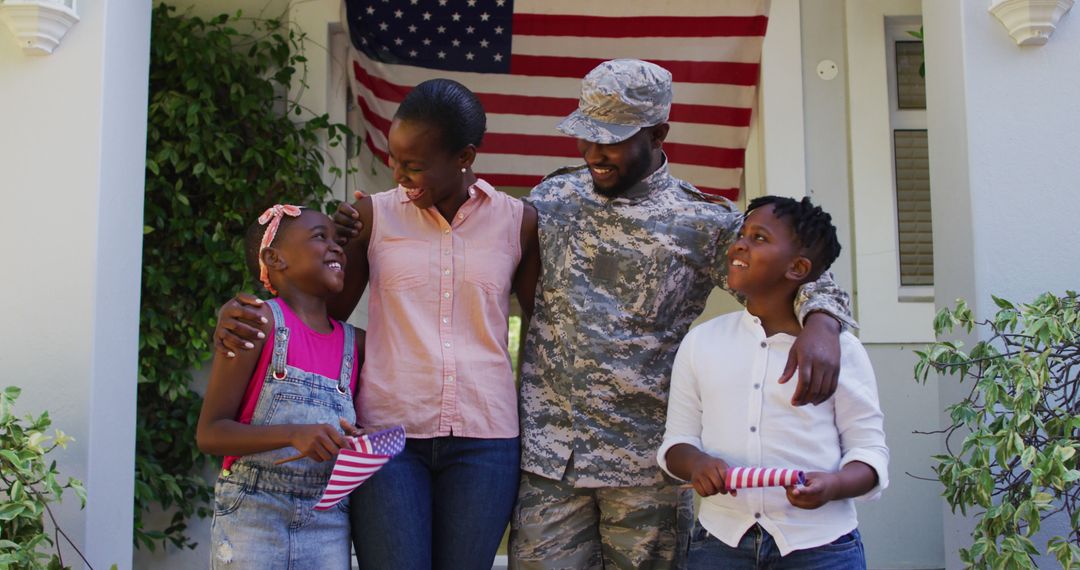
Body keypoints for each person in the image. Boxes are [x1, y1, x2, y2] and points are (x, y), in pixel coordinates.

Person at [508, 59, 857, 569]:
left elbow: (798, 270)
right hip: (550, 462)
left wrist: (823, 323)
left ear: (658, 133)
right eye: (587, 136)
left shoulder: (700, 221)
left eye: (613, 139)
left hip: (648, 471)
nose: (593, 153)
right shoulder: (554, 196)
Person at [213, 78, 541, 570]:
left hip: (486, 440)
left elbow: (545, 329)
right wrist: (245, 314)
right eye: (393, 158)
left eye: (414, 164)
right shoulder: (371, 216)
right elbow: (323, 321)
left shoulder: (520, 222)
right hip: (388, 439)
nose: (399, 173)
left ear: (464, 157)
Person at [659, 196, 889, 569]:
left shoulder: (839, 350)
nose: (739, 245)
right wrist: (697, 463)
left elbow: (870, 453)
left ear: (797, 267)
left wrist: (834, 486)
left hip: (820, 547)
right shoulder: (702, 341)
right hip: (719, 544)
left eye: (759, 238)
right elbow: (675, 443)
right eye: (742, 235)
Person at [196, 205, 361, 569]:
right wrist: (294, 434)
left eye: (338, 240)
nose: (336, 248)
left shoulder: (356, 344)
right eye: (321, 237)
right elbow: (210, 433)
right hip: (254, 514)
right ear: (275, 258)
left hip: (329, 520)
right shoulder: (253, 323)